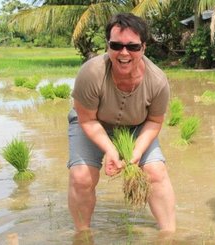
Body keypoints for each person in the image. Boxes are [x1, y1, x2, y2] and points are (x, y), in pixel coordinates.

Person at [67, 13, 175, 232]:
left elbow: (155, 121)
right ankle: (83, 235)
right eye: (116, 45)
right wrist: (110, 150)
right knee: (81, 177)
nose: (124, 53)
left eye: (132, 47)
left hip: (137, 126)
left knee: (156, 172)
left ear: (144, 47)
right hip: (94, 122)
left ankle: (169, 234)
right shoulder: (91, 73)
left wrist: (136, 153)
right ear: (108, 46)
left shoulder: (157, 81)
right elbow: (86, 119)